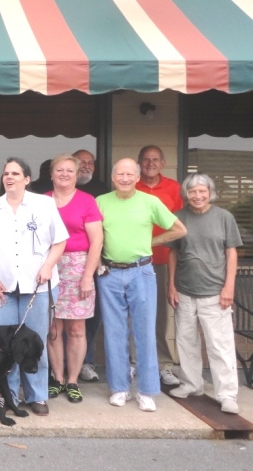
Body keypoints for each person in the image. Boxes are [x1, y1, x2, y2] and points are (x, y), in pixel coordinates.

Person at [0, 157, 68, 416]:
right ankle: (5, 395)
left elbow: (59, 242)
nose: (9, 177)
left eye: (15, 173)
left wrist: (47, 267)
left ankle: (37, 395)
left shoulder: (44, 204)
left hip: (37, 286)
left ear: (27, 179)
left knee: (35, 343)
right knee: (1, 347)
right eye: (6, 173)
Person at [96, 158, 186, 412]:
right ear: (113, 177)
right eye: (120, 174)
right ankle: (120, 388)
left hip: (141, 271)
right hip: (110, 273)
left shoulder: (150, 202)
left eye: (129, 174)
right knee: (114, 332)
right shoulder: (101, 202)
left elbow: (179, 229)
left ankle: (147, 391)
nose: (124, 178)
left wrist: (151, 242)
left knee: (145, 331)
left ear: (137, 177)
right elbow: (92, 236)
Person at [167, 173, 242, 414]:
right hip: (185, 291)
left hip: (215, 292)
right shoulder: (179, 218)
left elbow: (231, 252)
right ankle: (191, 384)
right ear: (186, 194)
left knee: (220, 345)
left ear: (210, 192)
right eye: (193, 191)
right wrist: (171, 285)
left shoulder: (223, 217)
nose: (197, 196)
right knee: (186, 341)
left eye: (202, 191)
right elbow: (173, 253)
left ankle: (227, 394)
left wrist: (229, 286)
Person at [45, 154, 103, 403]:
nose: (65, 174)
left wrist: (88, 276)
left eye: (70, 170)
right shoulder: (41, 201)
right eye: (60, 170)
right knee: (53, 327)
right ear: (52, 174)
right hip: (48, 267)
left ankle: (72, 380)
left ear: (77, 174)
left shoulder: (87, 201)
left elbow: (97, 241)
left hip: (79, 267)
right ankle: (57, 379)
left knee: (77, 328)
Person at [135, 145, 183, 386]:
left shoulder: (174, 188)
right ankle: (135, 363)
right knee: (134, 313)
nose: (150, 163)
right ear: (139, 163)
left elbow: (180, 226)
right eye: (146, 160)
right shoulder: (131, 186)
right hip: (132, 261)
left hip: (163, 259)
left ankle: (164, 365)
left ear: (163, 163)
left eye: (155, 160)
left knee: (161, 317)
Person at [72, 149, 110, 383]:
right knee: (62, 319)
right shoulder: (56, 192)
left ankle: (86, 362)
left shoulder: (103, 191)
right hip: (62, 265)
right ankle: (63, 365)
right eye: (81, 162)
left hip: (95, 263)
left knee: (90, 315)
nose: (86, 166)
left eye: (90, 163)